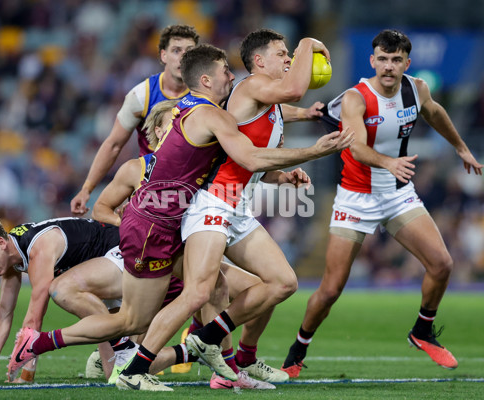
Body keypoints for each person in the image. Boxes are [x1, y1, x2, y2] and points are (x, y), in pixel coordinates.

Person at [7, 43, 352, 392]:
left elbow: (239, 155)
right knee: (162, 307)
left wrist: (293, 143)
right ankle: (147, 362)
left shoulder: (197, 107)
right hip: (159, 222)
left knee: (237, 287)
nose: (232, 78)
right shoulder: (211, 114)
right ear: (206, 79)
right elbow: (249, 156)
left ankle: (214, 355)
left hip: (179, 215)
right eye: (225, 73)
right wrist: (313, 149)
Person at [116, 34, 354, 390]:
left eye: (290, 53)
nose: (288, 59)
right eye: (281, 53)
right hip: (212, 201)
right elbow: (288, 97)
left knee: (283, 282)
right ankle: (136, 369)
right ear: (258, 62)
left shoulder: (265, 106)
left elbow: (253, 162)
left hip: (235, 203)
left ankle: (210, 340)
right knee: (196, 293)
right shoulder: (251, 86)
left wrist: (282, 175)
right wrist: (308, 44)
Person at [281, 29, 484, 377]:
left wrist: (460, 147)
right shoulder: (355, 98)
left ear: (407, 62)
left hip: (396, 194)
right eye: (383, 59)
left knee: (442, 263)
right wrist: (389, 162)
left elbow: (434, 113)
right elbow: (355, 147)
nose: (388, 67)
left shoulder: (417, 89)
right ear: (372, 61)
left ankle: (422, 331)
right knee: (330, 290)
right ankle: (296, 352)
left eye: (396, 60)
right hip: (355, 197)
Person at [91, 98, 281, 389]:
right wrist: (132, 224)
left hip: (187, 245)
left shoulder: (199, 165)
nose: (180, 128)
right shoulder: (136, 168)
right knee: (135, 321)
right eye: (172, 123)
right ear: (156, 130)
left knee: (247, 289)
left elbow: (245, 166)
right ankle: (82, 349)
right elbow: (101, 208)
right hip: (151, 248)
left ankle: (229, 368)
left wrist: (282, 171)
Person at [0, 215, 128, 382]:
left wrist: (26, 374)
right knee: (133, 357)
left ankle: (115, 347)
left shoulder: (38, 249)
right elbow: (3, 312)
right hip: (104, 267)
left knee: (61, 290)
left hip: (123, 252)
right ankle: (116, 347)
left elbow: (35, 317)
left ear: (1, 243)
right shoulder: (12, 254)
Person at [70, 24, 199, 216]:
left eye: (189, 51)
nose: (183, 57)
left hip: (194, 188)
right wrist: (87, 189)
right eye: (176, 50)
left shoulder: (206, 93)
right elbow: (113, 144)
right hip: (152, 189)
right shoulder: (142, 95)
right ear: (163, 55)